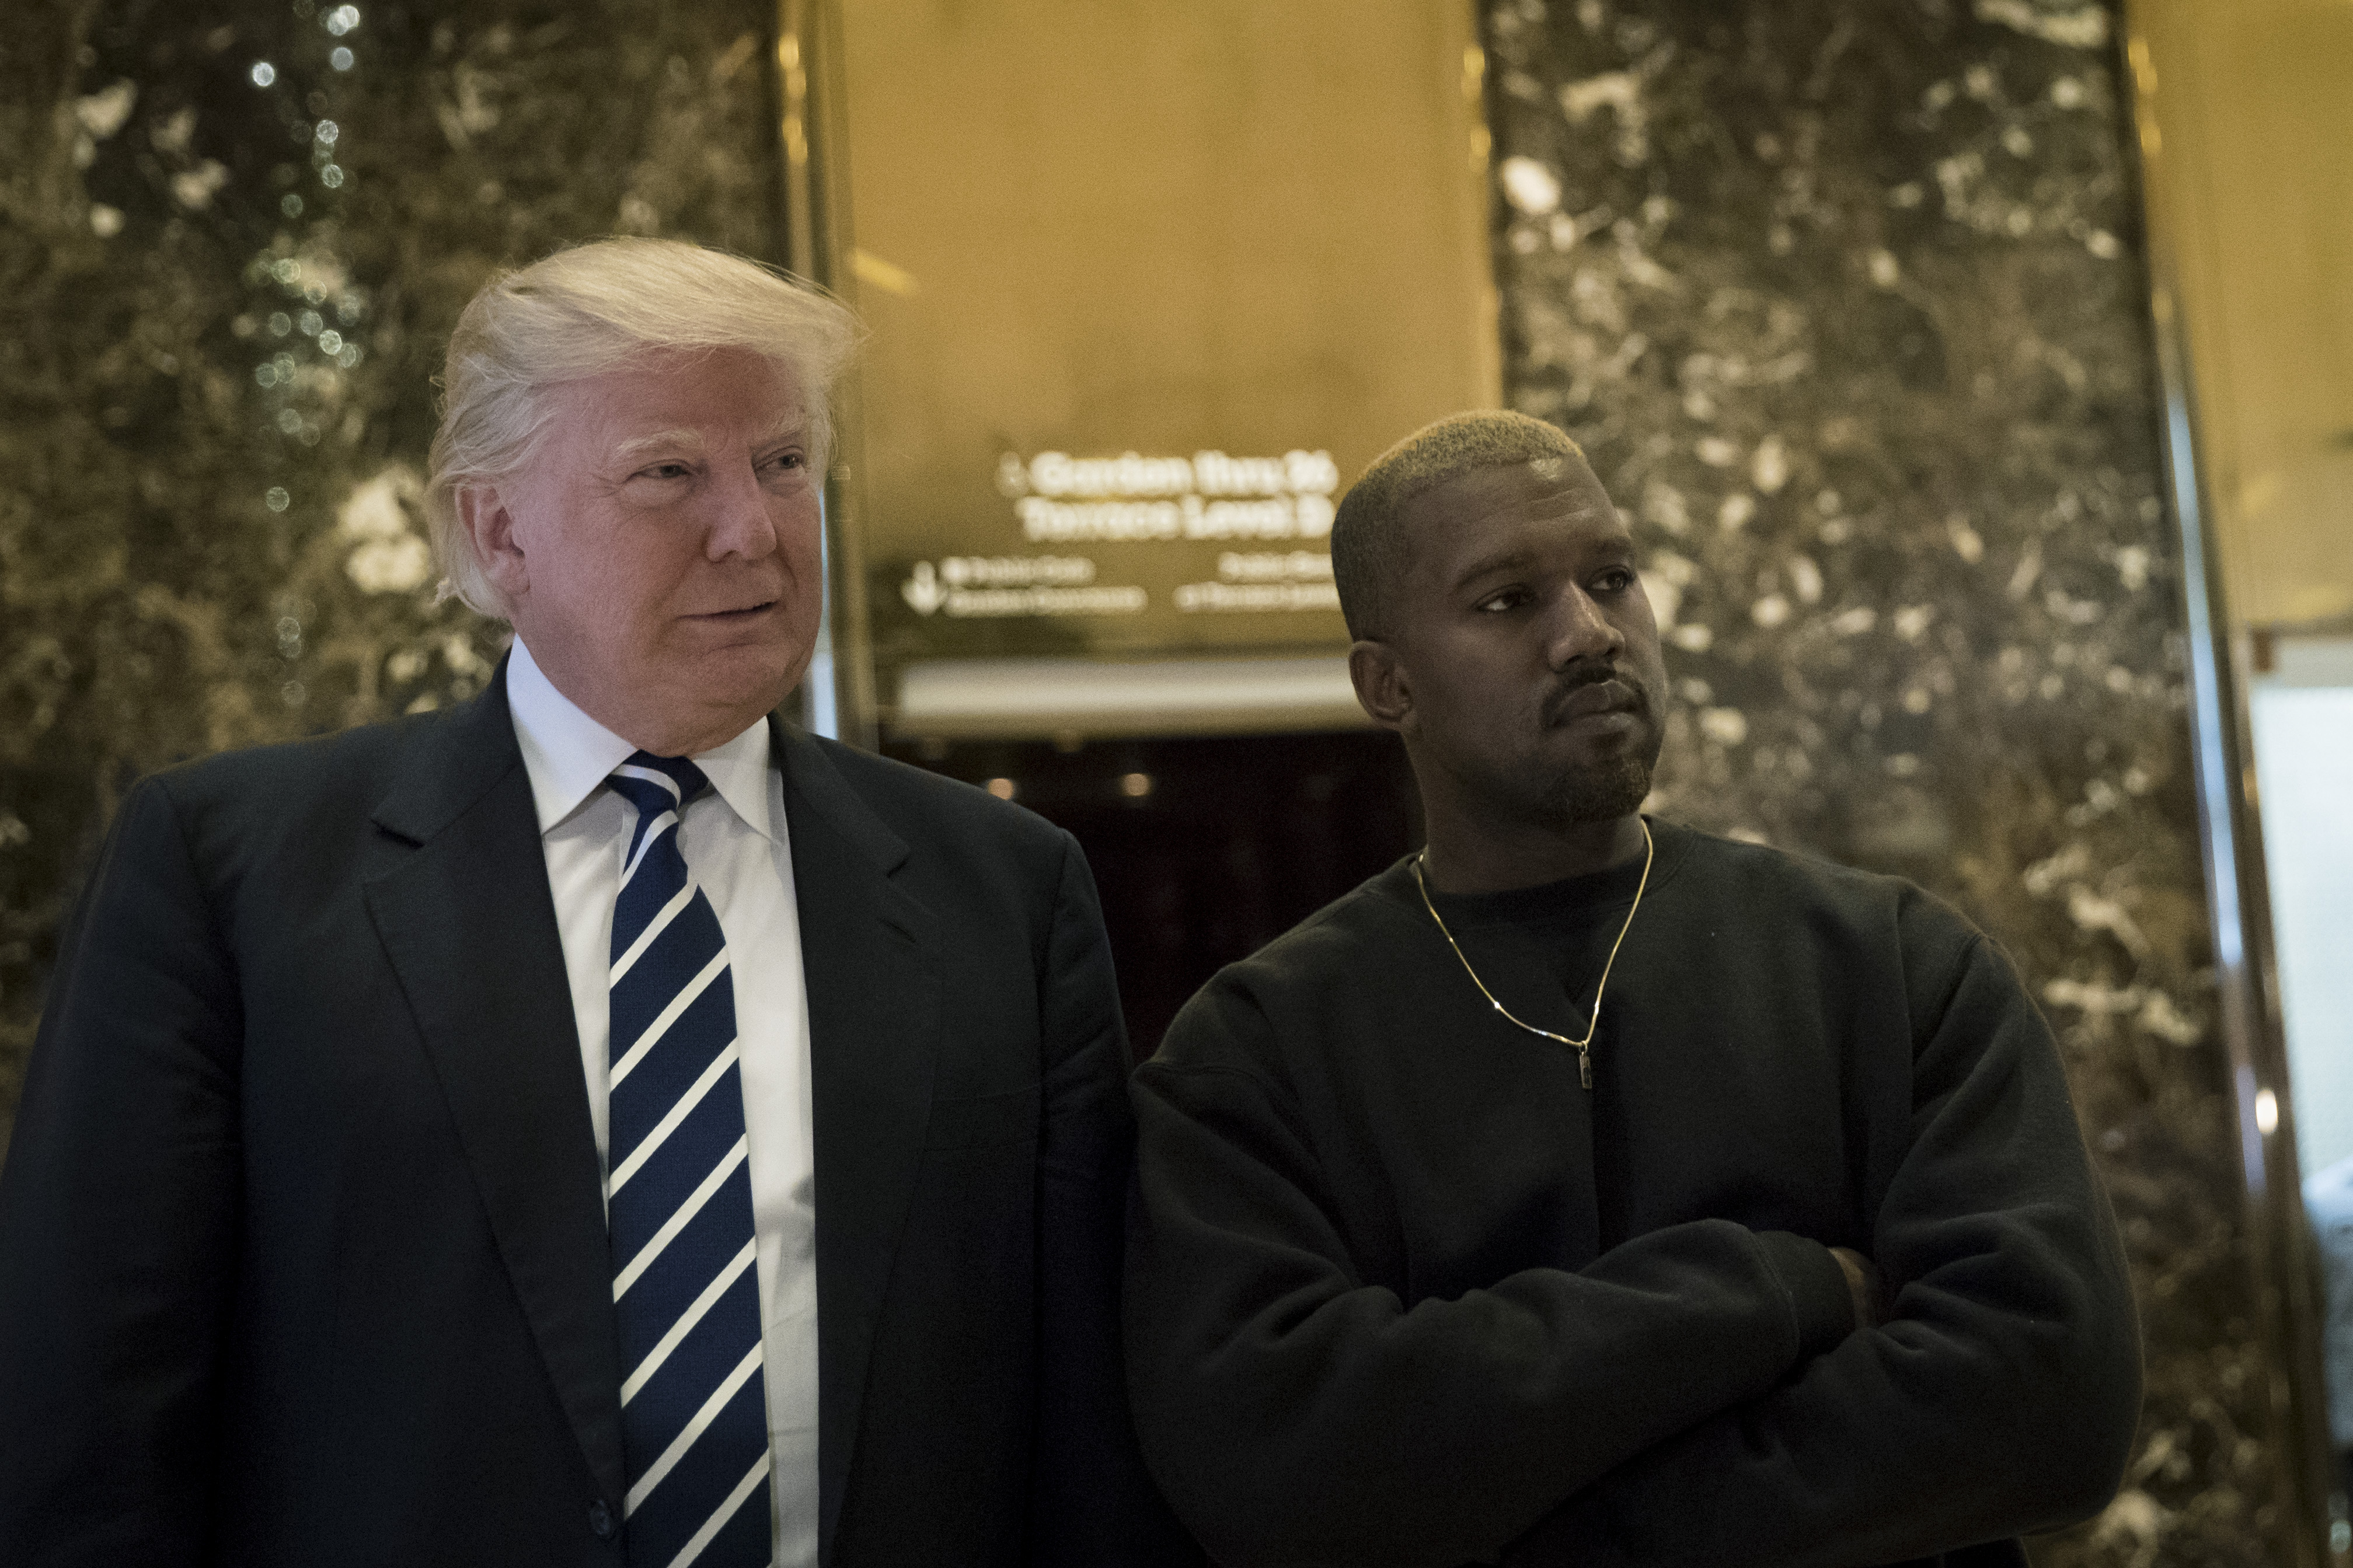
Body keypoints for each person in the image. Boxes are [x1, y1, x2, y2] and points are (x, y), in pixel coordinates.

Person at [0, 238, 1188, 1568]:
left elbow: (1094, 1430)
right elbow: (89, 1418)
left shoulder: (1003, 890)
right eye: (669, 473)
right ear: (497, 529)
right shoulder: (234, 873)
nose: (753, 527)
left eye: (784, 464)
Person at [1123, 409, 2143, 1567]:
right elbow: (1273, 1462)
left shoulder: (1890, 966)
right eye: (1508, 600)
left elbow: (2051, 1401)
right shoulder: (1260, 1049)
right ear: (1388, 684)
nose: (1589, 634)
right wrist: (1775, 1288)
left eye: (1613, 576)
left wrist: (1526, 1517)